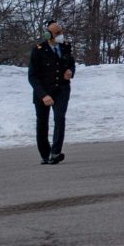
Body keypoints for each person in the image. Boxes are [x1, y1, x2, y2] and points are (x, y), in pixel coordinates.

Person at [28, 19, 75, 165]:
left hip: (61, 89)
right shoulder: (38, 50)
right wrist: (43, 95)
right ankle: (45, 154)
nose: (61, 35)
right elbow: (32, 76)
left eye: (61, 32)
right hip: (43, 91)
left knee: (60, 118)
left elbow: (71, 63)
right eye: (57, 33)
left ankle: (55, 152)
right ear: (49, 35)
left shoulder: (65, 46)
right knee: (42, 123)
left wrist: (70, 71)